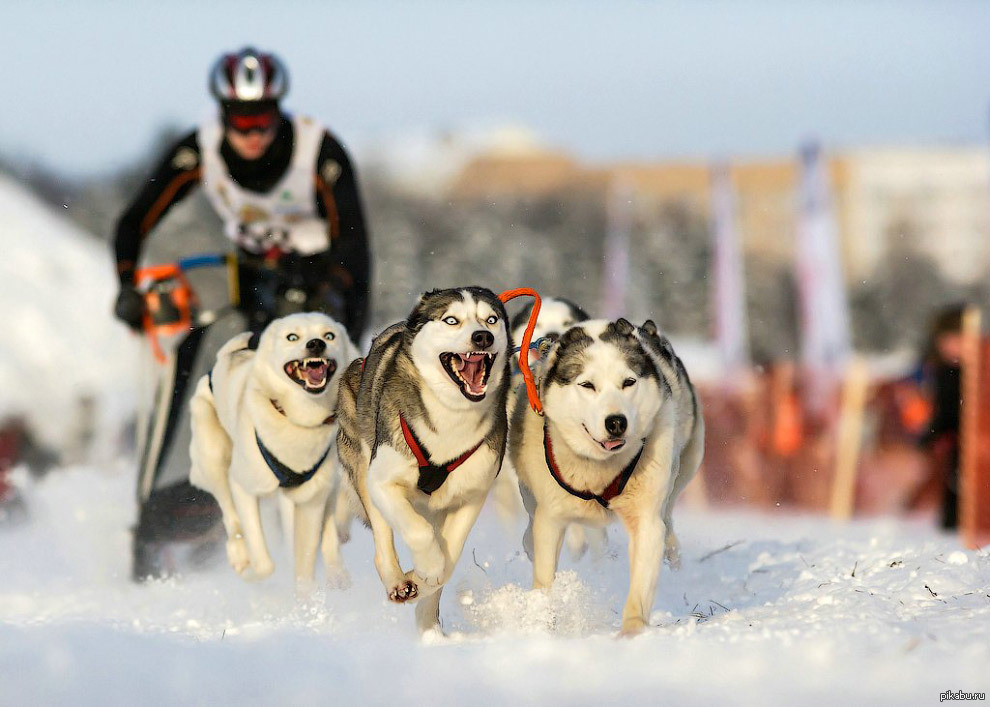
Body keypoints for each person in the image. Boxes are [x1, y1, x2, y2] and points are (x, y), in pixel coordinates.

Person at [112, 47, 371, 579]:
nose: (252, 133)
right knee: (226, 385)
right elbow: (135, 220)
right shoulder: (199, 148)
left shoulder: (319, 150)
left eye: (262, 118)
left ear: (277, 109)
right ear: (223, 114)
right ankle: (212, 515)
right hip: (255, 281)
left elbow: (355, 244)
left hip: (324, 285)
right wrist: (126, 284)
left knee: (313, 403)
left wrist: (340, 306)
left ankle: (339, 524)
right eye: (240, 120)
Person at [917, 304, 965, 530]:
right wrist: (930, 435)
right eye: (945, 339)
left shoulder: (977, 371)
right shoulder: (942, 371)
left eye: (956, 339)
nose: (949, 346)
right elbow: (946, 412)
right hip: (959, 448)